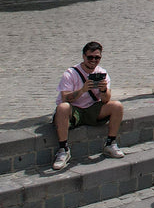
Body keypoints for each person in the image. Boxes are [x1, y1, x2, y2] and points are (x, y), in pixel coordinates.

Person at [52, 41, 125, 170]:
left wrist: (103, 90)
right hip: (74, 110)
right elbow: (65, 98)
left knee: (117, 106)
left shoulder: (102, 73)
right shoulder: (71, 73)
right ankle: (63, 149)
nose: (93, 60)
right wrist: (82, 90)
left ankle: (110, 143)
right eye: (90, 57)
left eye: (97, 57)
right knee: (63, 107)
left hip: (92, 108)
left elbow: (106, 100)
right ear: (84, 56)